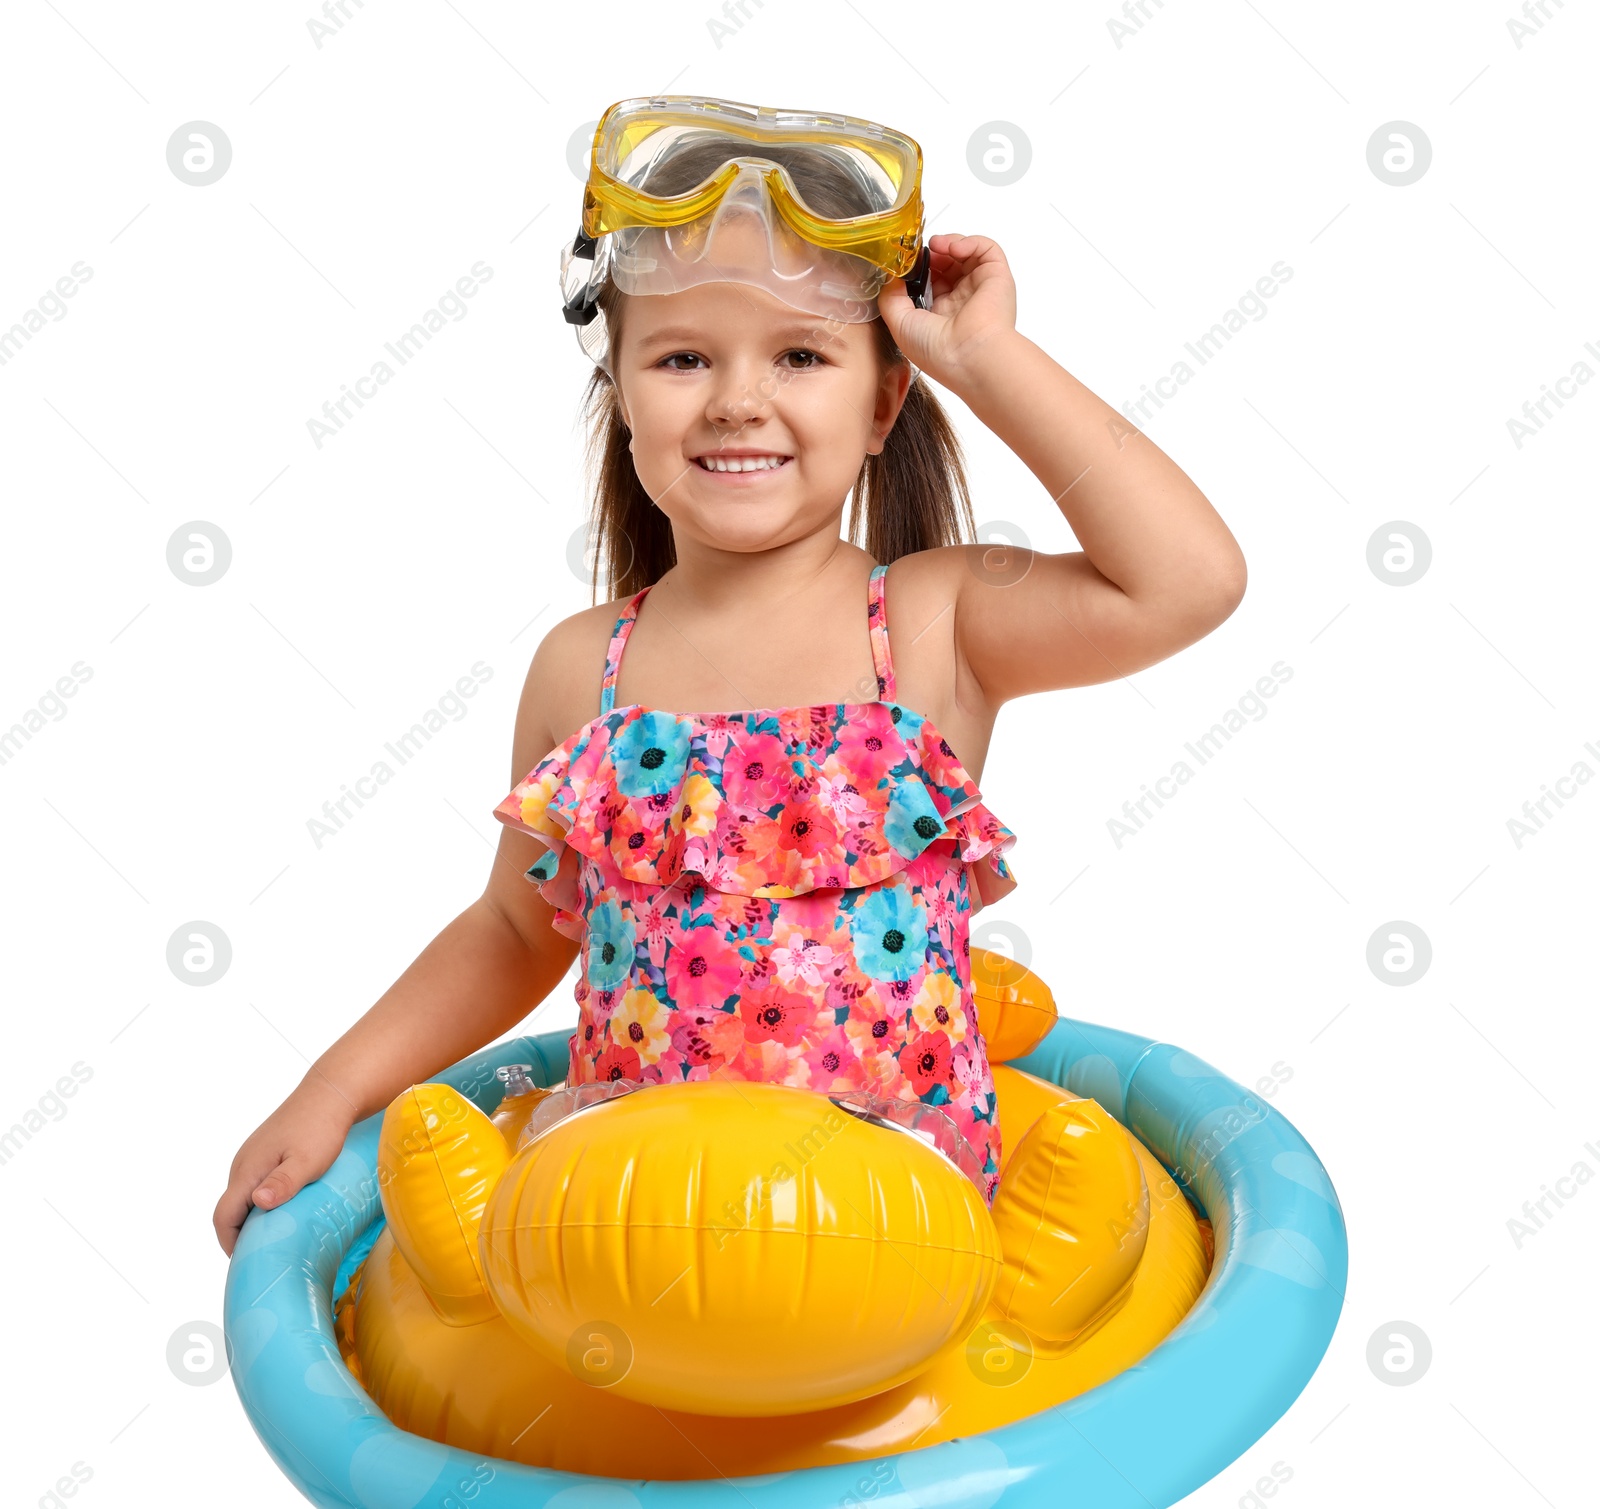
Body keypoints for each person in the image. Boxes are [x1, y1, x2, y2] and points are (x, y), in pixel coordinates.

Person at [213, 96, 1245, 1255]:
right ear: (621, 395)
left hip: (895, 1237)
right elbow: (512, 928)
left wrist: (986, 357)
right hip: (637, 1234)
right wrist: (330, 1087)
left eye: (800, 356)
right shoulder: (582, 667)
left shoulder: (932, 619)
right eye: (682, 357)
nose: (736, 399)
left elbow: (1187, 582)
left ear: (883, 400)